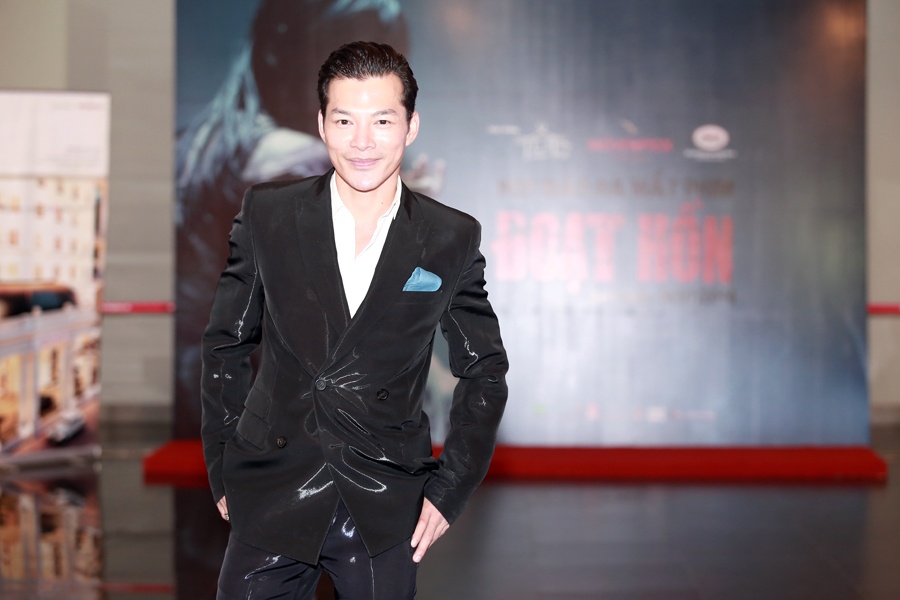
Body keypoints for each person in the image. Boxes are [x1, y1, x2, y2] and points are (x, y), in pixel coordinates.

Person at [200, 41, 508, 599]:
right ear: (322, 125)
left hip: (384, 497)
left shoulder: (450, 236)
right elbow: (227, 343)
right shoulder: (269, 214)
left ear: (411, 126)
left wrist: (450, 489)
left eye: (382, 120)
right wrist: (223, 465)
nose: (362, 141)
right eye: (344, 120)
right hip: (274, 487)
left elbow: (484, 370)